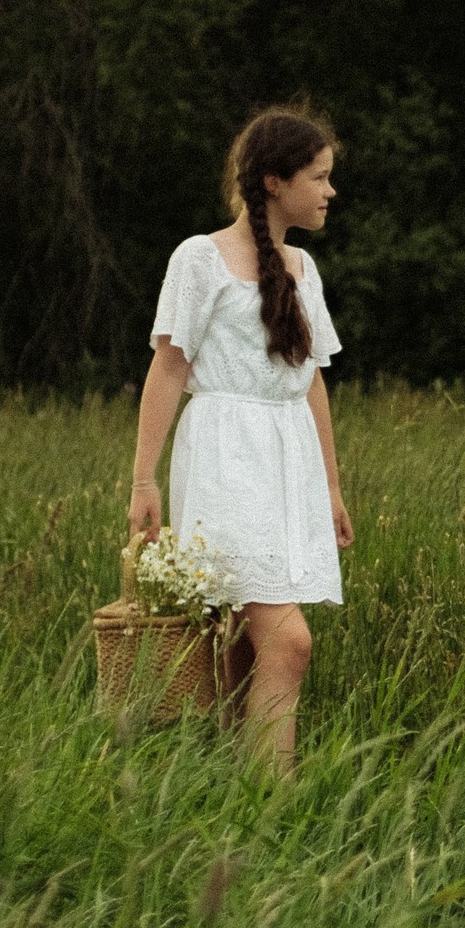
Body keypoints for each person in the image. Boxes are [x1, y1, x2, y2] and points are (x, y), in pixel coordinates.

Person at [129, 106, 355, 775]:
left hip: (288, 465)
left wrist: (333, 487)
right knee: (289, 642)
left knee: (242, 644)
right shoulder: (200, 259)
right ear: (273, 182)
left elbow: (309, 382)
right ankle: (272, 800)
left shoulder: (303, 270)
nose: (329, 190)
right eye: (318, 176)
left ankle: (223, 786)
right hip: (226, 460)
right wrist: (144, 478)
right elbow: (168, 367)